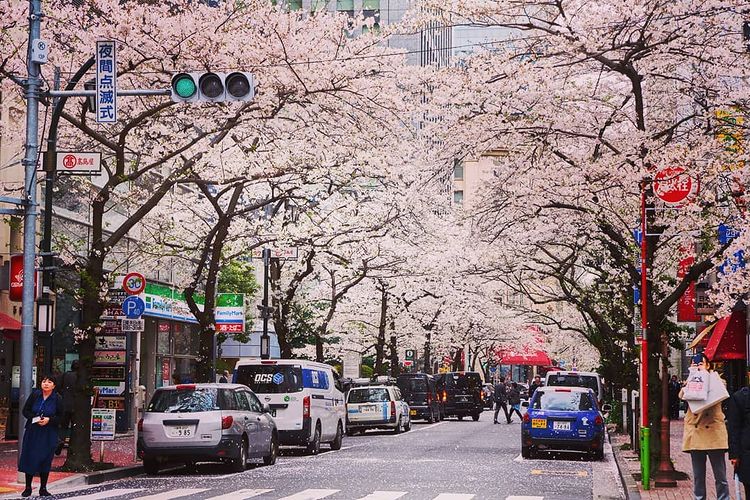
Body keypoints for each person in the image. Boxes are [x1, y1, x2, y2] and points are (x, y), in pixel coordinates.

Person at [680, 353, 729, 500]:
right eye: (694, 364)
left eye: (700, 363)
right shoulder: (689, 382)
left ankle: (723, 498)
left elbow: (717, 393)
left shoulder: (717, 381)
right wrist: (692, 378)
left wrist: (703, 375)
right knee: (698, 476)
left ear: (708, 365)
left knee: (720, 476)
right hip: (696, 434)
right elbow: (682, 395)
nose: (698, 367)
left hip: (713, 432)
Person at [18, 374, 64, 497]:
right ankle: (28, 487)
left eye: (49, 382)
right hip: (33, 430)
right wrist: (35, 418)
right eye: (44, 381)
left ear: (54, 385)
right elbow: (25, 411)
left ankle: (43, 488)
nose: (46, 384)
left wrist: (49, 420)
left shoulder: (57, 398)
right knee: (30, 457)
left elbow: (61, 417)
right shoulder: (35, 395)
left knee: (45, 458)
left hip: (48, 432)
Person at [55, 360, 78, 455]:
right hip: (77, 405)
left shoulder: (64, 375)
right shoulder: (81, 377)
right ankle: (73, 446)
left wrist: (64, 394)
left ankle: (60, 440)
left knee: (63, 426)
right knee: (76, 426)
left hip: (65, 404)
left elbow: (57, 387)